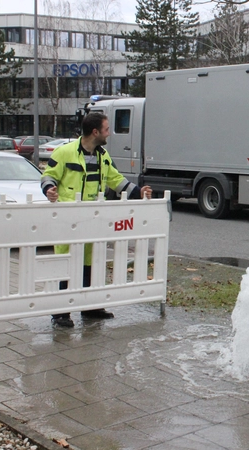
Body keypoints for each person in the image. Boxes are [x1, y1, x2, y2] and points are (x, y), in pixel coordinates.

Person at [41, 112, 153, 328]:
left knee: (90, 263)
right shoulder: (65, 152)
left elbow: (116, 180)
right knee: (64, 262)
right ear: (95, 132)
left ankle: (90, 307)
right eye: (107, 129)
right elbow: (49, 175)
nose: (109, 133)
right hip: (68, 219)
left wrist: (139, 192)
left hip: (92, 219)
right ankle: (60, 313)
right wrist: (49, 189)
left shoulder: (103, 156)